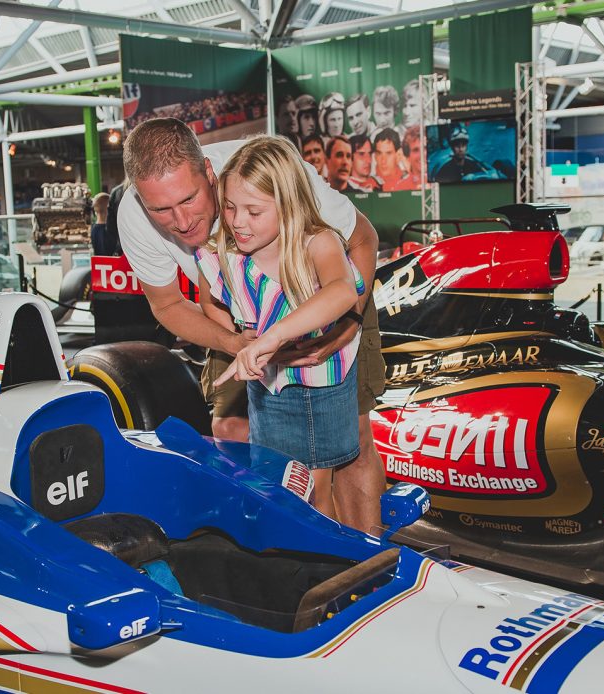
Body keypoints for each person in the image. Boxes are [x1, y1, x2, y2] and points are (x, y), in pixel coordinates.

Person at [118, 117, 386, 533]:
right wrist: (234, 339)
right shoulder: (138, 219)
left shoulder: (270, 175)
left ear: (210, 173)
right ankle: (287, 548)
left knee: (347, 445)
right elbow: (172, 303)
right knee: (238, 434)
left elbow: (362, 239)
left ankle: (365, 563)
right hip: (247, 317)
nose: (182, 221)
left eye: (189, 199)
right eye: (161, 209)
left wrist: (348, 321)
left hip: (326, 301)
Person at [195, 136, 364, 518]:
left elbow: (342, 291)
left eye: (254, 211)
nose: (238, 221)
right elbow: (209, 301)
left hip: (319, 383)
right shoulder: (224, 250)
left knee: (315, 493)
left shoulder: (317, 243)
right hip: (268, 387)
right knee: (277, 484)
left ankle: (332, 568)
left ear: (287, 206)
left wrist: (273, 336)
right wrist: (240, 338)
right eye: (231, 207)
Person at [394, 126, 425, 191]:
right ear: (408, 156)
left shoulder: (440, 181)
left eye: (425, 148)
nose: (422, 154)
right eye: (416, 150)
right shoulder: (400, 187)